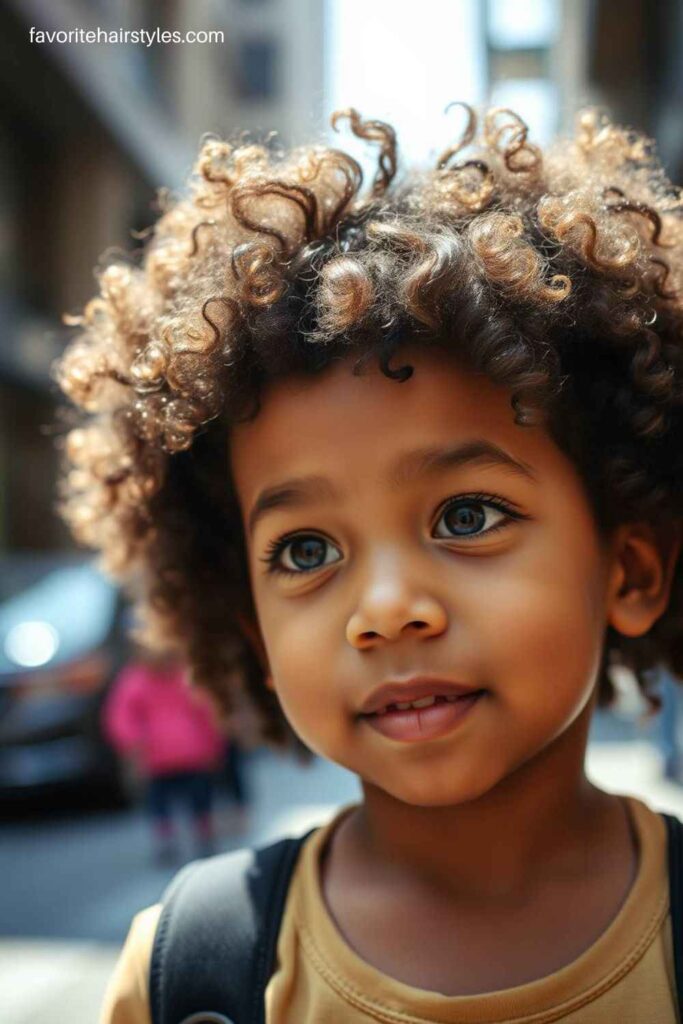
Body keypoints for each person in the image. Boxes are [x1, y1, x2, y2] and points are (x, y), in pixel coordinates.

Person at [55, 102, 683, 1021]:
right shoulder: (190, 975)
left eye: (466, 515)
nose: (385, 608)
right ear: (257, 636)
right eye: (305, 550)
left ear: (627, 572)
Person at [102, 650, 226, 862]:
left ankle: (204, 834)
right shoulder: (135, 681)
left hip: (192, 754)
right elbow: (121, 716)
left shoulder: (187, 676)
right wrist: (131, 743)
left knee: (200, 798)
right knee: (159, 803)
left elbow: (206, 711)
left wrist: (214, 744)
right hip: (156, 759)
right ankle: (166, 838)